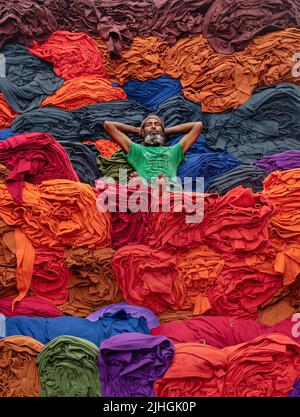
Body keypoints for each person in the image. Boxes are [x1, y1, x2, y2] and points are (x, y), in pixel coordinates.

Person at [103, 115, 203, 189]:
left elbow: (198, 125)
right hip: (146, 191)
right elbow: (108, 125)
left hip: (170, 192)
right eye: (148, 125)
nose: (153, 126)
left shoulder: (174, 151)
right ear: (143, 131)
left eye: (157, 124)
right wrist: (137, 130)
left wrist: (166, 131)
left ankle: (160, 187)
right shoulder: (136, 151)